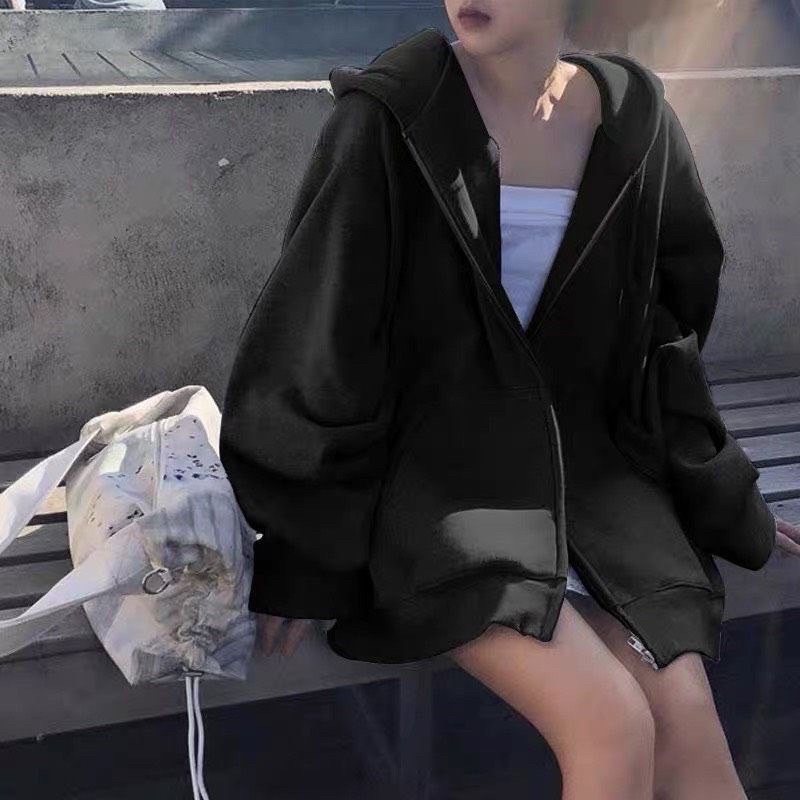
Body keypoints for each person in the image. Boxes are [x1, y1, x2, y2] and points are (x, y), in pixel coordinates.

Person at [220, 2, 800, 797]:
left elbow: (665, 345)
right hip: (441, 490)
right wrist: (304, 549)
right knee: (612, 725)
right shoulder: (395, 114)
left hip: (596, 485)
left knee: (687, 724)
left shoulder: (635, 120)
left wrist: (727, 499)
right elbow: (320, 340)